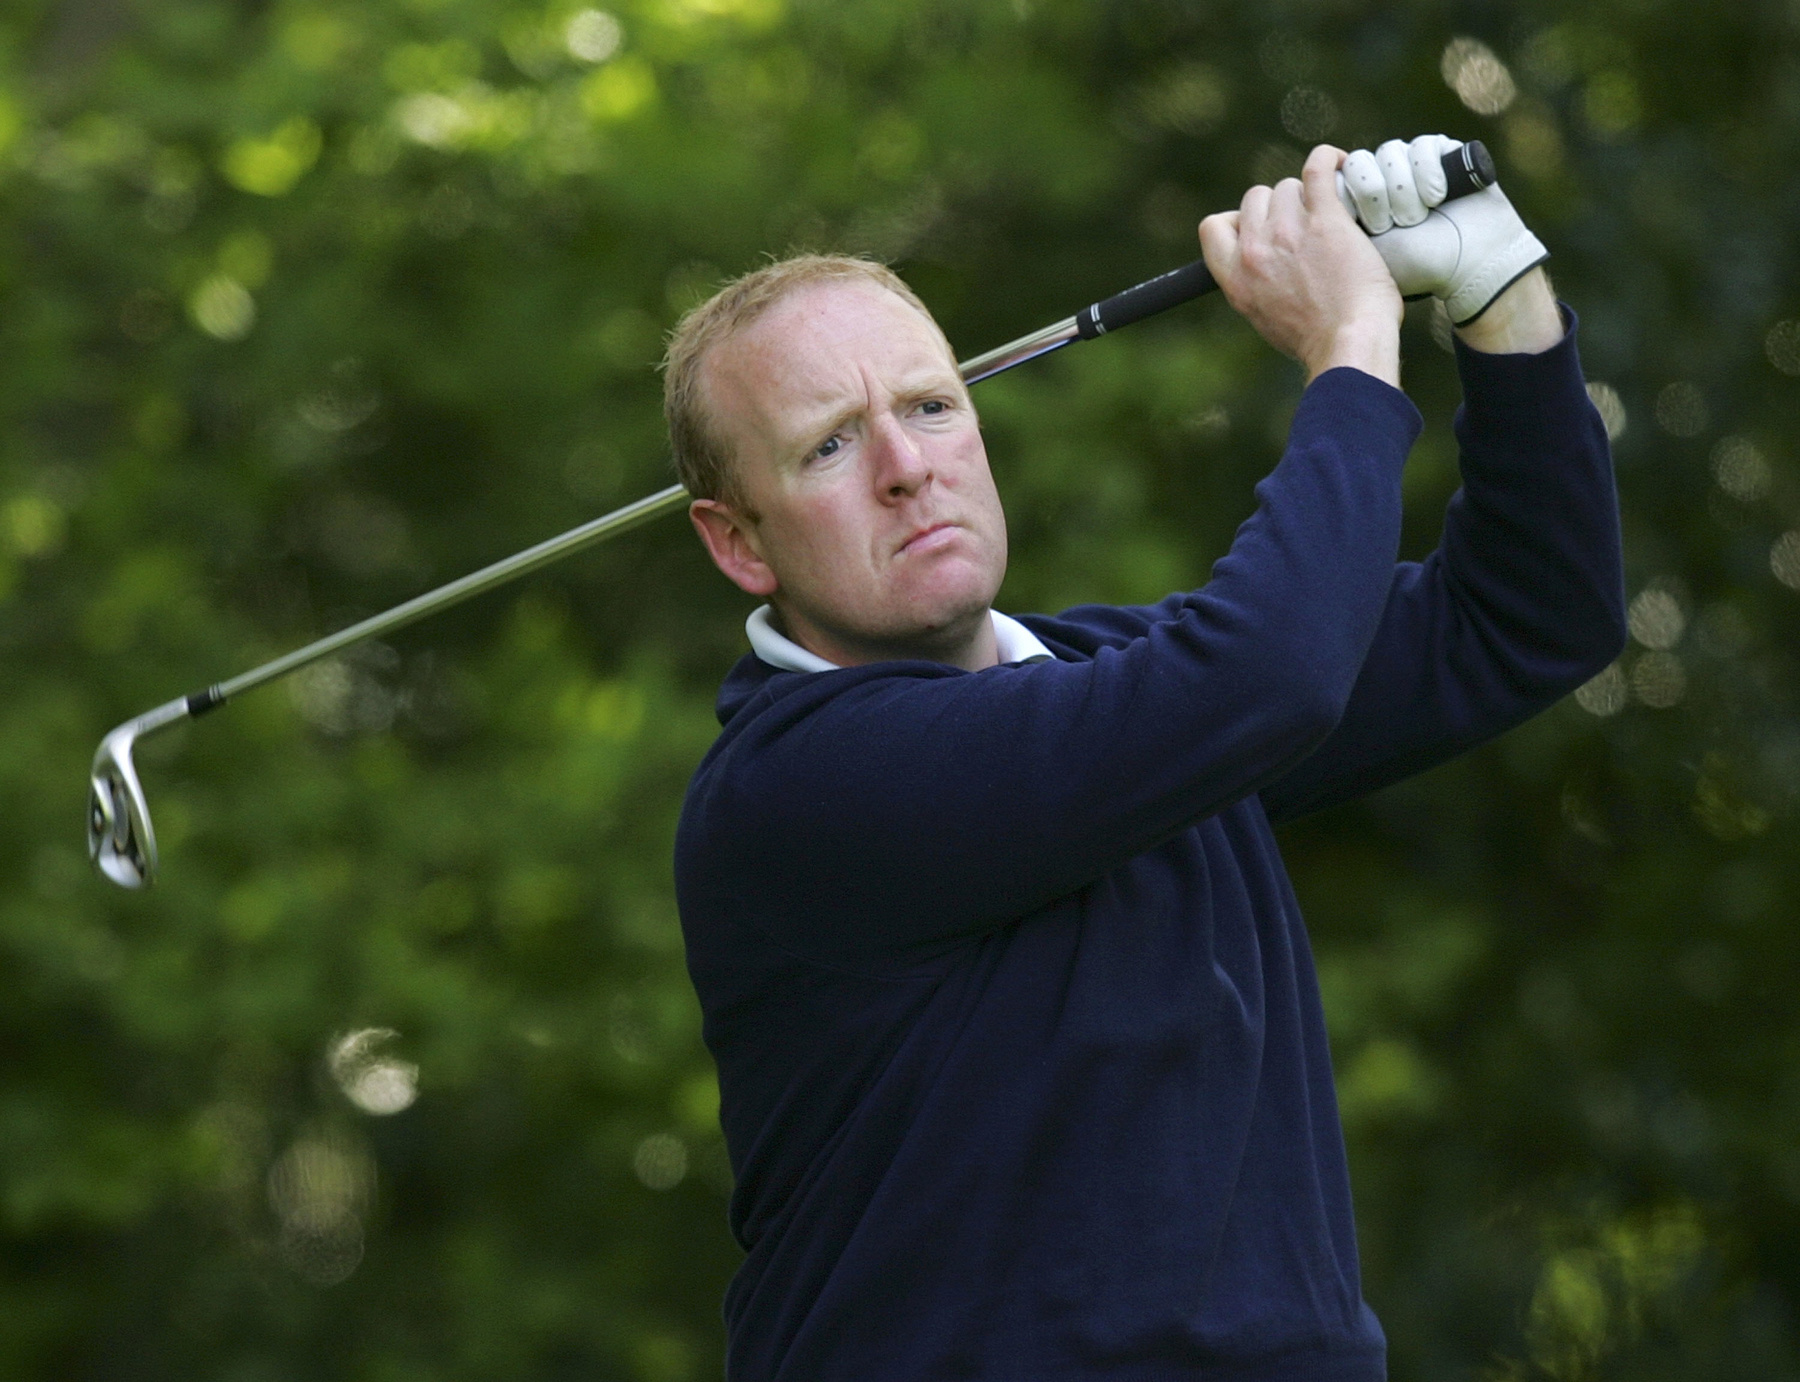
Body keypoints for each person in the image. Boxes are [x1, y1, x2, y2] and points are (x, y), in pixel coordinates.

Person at [665, 139, 1625, 1381]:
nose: (908, 467)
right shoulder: (796, 787)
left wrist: (1500, 294)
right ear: (738, 543)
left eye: (930, 405)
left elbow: (1528, 613)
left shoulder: (1117, 683)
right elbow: (1266, 673)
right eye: (831, 446)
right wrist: (1350, 344)